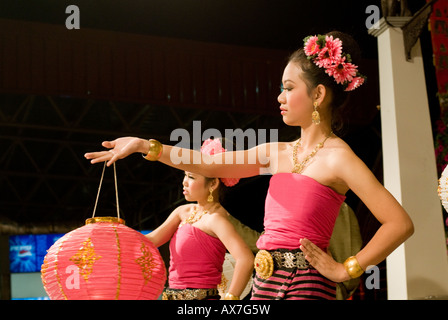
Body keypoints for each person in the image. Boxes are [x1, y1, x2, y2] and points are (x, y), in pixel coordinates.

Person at [85, 31, 414, 300]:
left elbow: (399, 223)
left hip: (308, 288)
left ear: (318, 94)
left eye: (288, 88)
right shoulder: (276, 152)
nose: (279, 98)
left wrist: (347, 268)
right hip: (263, 284)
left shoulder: (339, 157)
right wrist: (146, 146)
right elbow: (207, 165)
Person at [144, 138, 254, 300]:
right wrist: (115, 235)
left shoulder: (216, 219)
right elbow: (151, 240)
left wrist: (231, 298)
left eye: (191, 177)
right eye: (185, 176)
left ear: (213, 184)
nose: (184, 182)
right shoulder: (183, 212)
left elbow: (245, 259)